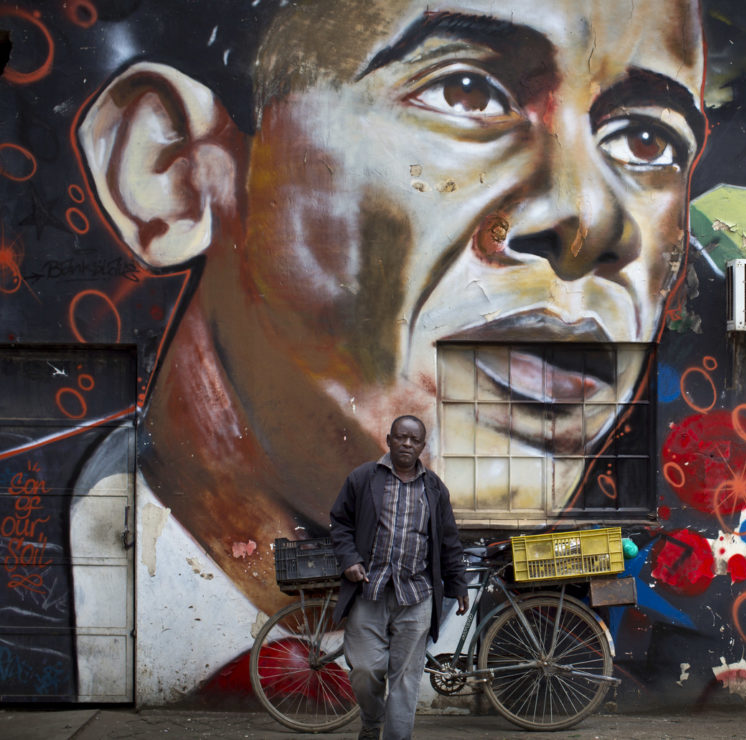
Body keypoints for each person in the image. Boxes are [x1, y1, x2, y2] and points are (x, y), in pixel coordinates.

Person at [72, 0, 706, 696]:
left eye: (646, 141)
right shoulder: (38, 608)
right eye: (465, 91)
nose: (593, 221)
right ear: (176, 174)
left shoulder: (559, 646)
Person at [330, 415, 468, 740]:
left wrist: (458, 583)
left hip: (416, 596)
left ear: (422, 446)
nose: (407, 444)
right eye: (401, 437)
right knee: (365, 669)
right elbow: (340, 523)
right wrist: (349, 559)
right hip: (369, 590)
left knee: (405, 679)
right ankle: (371, 720)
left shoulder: (433, 488)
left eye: (414, 440)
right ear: (388, 439)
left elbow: (449, 540)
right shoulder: (364, 478)